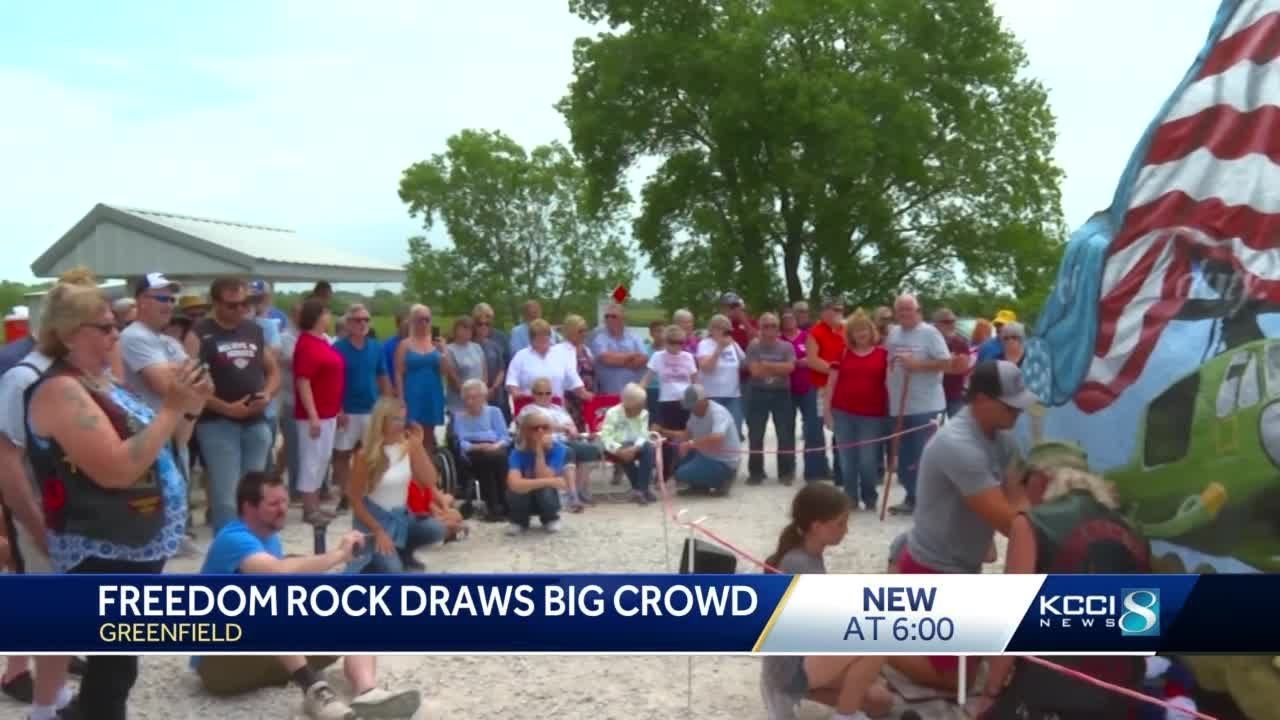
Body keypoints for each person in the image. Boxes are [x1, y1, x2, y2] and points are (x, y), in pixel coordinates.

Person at [26, 280, 211, 720]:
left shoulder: (103, 382)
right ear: (70, 333)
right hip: (102, 542)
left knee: (116, 664)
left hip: (135, 540)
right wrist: (170, 407)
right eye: (106, 327)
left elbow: (172, 442)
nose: (116, 335)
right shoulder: (62, 391)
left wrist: (189, 406)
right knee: (114, 665)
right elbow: (115, 469)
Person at [195, 472, 421, 720]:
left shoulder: (269, 539)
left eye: (284, 501)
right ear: (248, 507)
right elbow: (277, 572)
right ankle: (315, 691)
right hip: (220, 664)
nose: (283, 509)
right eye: (273, 504)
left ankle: (367, 691)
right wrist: (339, 555)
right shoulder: (233, 538)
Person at [973, 443, 1150, 720]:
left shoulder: (1032, 523)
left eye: (1024, 482)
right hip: (1119, 696)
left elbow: (1011, 623)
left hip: (1047, 695)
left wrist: (990, 691)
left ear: (1040, 479)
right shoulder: (1133, 531)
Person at [893, 360, 1032, 692]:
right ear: (982, 399)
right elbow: (1010, 522)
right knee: (956, 680)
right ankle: (870, 648)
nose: (1019, 413)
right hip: (934, 569)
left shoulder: (1002, 439)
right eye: (1010, 406)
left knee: (973, 660)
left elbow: (1018, 507)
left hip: (960, 568)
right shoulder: (958, 445)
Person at [0, 323, 83, 720]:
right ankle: (18, 670)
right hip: (14, 480)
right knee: (21, 573)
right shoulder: (18, 367)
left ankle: (53, 679)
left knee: (30, 577)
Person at [761, 484, 892, 720]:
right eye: (840, 523)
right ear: (816, 526)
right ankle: (844, 716)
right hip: (792, 666)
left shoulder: (808, 554)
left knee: (880, 701)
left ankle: (817, 701)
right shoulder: (798, 563)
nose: (846, 530)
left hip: (802, 659)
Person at [118, 272, 201, 556]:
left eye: (171, 298)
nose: (169, 304)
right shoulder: (134, 336)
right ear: (141, 301)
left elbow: (204, 382)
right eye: (162, 298)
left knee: (176, 497)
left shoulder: (166, 341)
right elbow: (164, 384)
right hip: (148, 434)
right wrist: (185, 377)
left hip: (177, 430)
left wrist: (186, 379)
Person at [192, 277, 280, 532]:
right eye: (232, 305)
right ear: (216, 303)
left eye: (245, 304)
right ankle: (229, 553)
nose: (240, 310)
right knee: (226, 496)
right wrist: (226, 407)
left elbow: (273, 371)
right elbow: (189, 384)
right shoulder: (200, 332)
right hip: (217, 423)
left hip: (255, 421)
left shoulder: (253, 330)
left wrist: (267, 394)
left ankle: (252, 547)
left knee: (253, 494)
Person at [347, 397, 445, 573]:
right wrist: (378, 531)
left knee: (435, 529)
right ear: (382, 420)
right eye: (395, 419)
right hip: (374, 521)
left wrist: (418, 446)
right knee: (393, 572)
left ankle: (402, 551)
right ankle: (376, 559)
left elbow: (430, 480)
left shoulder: (407, 448)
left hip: (400, 518)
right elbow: (355, 500)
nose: (401, 424)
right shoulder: (365, 455)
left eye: (403, 418)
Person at [883, 294, 950, 515]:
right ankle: (912, 497)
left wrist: (918, 365)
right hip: (899, 404)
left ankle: (930, 502)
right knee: (905, 457)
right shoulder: (894, 334)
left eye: (908, 309)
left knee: (924, 456)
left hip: (926, 405)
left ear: (917, 310)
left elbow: (946, 362)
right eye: (900, 309)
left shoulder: (930, 333)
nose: (904, 313)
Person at [824, 310, 889, 511]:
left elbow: (890, 384)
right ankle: (850, 497)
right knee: (847, 459)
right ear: (850, 334)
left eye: (864, 329)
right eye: (856, 330)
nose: (861, 334)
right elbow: (831, 383)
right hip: (844, 413)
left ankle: (870, 496)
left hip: (872, 416)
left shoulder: (883, 355)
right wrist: (827, 411)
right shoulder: (842, 353)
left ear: (872, 332)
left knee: (868, 460)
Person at [331, 304, 389, 514]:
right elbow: (331, 381)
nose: (362, 324)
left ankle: (368, 493)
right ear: (348, 323)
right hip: (347, 408)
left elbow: (382, 376)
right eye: (357, 320)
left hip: (371, 408)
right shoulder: (338, 348)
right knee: (342, 454)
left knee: (371, 454)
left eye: (366, 319)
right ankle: (345, 495)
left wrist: (388, 404)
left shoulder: (376, 347)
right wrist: (338, 409)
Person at [293, 298, 345, 525]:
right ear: (317, 316)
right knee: (311, 459)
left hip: (329, 411)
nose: (329, 317)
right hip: (314, 415)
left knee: (323, 458)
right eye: (326, 313)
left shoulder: (323, 341)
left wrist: (338, 408)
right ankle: (309, 507)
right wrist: (313, 415)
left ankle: (314, 504)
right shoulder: (306, 344)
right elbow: (303, 381)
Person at [516, 377, 599, 511]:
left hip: (566, 440)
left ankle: (580, 489)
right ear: (533, 394)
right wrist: (560, 428)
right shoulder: (528, 410)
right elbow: (532, 427)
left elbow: (573, 428)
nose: (544, 396)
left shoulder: (559, 409)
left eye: (548, 393)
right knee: (567, 452)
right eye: (540, 393)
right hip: (545, 443)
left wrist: (572, 431)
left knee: (590, 450)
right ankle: (573, 497)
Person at [641, 325, 699, 481]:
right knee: (664, 439)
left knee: (686, 438)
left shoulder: (688, 357)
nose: (676, 346)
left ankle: (683, 473)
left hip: (685, 403)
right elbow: (646, 379)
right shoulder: (657, 356)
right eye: (672, 342)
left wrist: (696, 402)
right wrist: (638, 393)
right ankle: (664, 473)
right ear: (665, 342)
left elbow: (695, 382)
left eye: (680, 342)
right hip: (666, 402)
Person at [745, 313, 797, 485]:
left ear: (778, 328)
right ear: (760, 328)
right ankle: (756, 473)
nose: (769, 329)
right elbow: (754, 372)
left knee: (785, 434)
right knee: (756, 434)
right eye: (765, 326)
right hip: (758, 392)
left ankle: (786, 473)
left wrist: (766, 365)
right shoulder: (753, 347)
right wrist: (777, 368)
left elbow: (790, 368)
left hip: (781, 394)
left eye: (773, 325)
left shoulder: (786, 347)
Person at [453, 379, 512, 521]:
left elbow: (505, 437)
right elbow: (461, 442)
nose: (470, 401)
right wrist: (477, 446)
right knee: (488, 459)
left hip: (495, 447)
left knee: (496, 457)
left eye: (474, 397)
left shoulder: (494, 412)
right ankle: (497, 505)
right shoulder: (459, 417)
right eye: (467, 398)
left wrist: (495, 446)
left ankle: (500, 505)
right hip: (473, 451)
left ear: (483, 397)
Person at [505, 407, 570, 535]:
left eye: (545, 427)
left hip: (547, 498)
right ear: (525, 431)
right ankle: (519, 521)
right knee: (516, 491)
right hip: (524, 498)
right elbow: (514, 484)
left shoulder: (559, 449)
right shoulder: (517, 453)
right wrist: (553, 481)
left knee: (545, 490)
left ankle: (550, 519)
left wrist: (539, 450)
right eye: (535, 428)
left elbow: (543, 474)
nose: (540, 431)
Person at [668, 385, 740, 496]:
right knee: (679, 464)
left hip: (723, 462)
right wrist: (662, 432)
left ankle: (723, 481)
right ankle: (699, 486)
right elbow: (686, 435)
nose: (691, 409)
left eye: (694, 405)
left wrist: (691, 444)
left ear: (704, 400)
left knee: (681, 474)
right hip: (707, 455)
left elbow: (717, 437)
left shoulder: (718, 412)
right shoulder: (695, 413)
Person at [395, 304, 449, 451]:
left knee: (429, 437)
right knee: (412, 435)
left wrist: (443, 351)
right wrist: (400, 399)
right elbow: (398, 373)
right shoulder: (404, 345)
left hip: (432, 393)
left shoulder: (436, 344)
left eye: (427, 319)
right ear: (412, 321)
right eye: (420, 319)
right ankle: (411, 471)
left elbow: (445, 371)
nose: (424, 323)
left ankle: (429, 470)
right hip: (412, 394)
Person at [781, 308, 825, 482]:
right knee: (786, 430)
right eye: (785, 318)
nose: (789, 321)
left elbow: (817, 356)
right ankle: (787, 470)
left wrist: (808, 361)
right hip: (786, 390)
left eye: (791, 318)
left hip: (809, 387)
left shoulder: (808, 337)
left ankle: (814, 471)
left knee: (813, 429)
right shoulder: (779, 340)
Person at [504, 319, 587, 408]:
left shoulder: (560, 355)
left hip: (556, 407)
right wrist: (516, 393)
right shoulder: (521, 356)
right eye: (539, 336)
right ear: (531, 339)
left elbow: (572, 376)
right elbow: (511, 382)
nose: (543, 339)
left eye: (546, 335)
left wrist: (583, 392)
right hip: (529, 408)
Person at [248, 281, 284, 476]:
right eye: (251, 299)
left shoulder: (268, 325)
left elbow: (274, 356)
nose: (254, 304)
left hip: (265, 404)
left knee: (263, 458)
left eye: (258, 299)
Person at [599, 383, 657, 504]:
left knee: (649, 448)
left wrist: (635, 448)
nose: (642, 407)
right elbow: (606, 436)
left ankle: (640, 490)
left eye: (643, 404)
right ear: (629, 404)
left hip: (636, 446)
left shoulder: (643, 413)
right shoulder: (613, 413)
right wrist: (619, 450)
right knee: (625, 453)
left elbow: (643, 434)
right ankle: (641, 490)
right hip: (617, 446)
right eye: (639, 405)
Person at [697, 314, 747, 437]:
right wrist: (719, 348)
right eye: (722, 329)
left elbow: (744, 363)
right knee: (712, 432)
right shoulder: (705, 344)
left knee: (734, 431)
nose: (726, 333)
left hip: (733, 395)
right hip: (712, 396)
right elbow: (706, 368)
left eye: (728, 330)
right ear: (712, 329)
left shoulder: (733, 345)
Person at [590, 303, 648, 395]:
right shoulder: (599, 338)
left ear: (623, 318)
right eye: (607, 316)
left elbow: (643, 359)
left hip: (633, 395)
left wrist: (617, 359)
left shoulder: (635, 337)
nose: (609, 319)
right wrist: (631, 355)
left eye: (613, 316)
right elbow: (607, 359)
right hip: (608, 395)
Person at [557, 314, 596, 434]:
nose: (584, 333)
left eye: (585, 330)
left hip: (586, 399)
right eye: (580, 331)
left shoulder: (587, 350)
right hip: (570, 399)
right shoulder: (560, 350)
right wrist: (581, 392)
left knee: (586, 432)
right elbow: (565, 376)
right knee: (571, 432)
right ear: (570, 331)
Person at [472, 304, 510, 422]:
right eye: (480, 322)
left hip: (497, 391)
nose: (484, 324)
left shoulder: (501, 338)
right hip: (474, 392)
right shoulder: (468, 340)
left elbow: (505, 364)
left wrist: (494, 388)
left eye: (488, 320)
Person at [933, 307, 972, 418]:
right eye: (946, 321)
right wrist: (948, 362)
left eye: (953, 321)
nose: (951, 324)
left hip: (953, 397)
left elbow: (961, 368)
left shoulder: (959, 343)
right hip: (932, 399)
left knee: (955, 432)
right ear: (936, 324)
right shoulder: (929, 342)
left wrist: (932, 366)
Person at [444, 316, 486, 415]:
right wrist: (469, 396)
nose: (468, 331)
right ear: (456, 330)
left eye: (470, 328)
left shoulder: (477, 347)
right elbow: (452, 377)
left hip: (479, 398)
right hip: (459, 401)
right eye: (464, 328)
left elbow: (484, 371)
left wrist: (481, 393)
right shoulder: (449, 350)